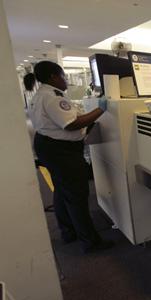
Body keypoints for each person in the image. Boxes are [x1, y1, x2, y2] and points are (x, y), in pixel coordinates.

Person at [28, 61, 113, 253]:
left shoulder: (41, 94)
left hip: (47, 146)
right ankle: (91, 242)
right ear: (53, 77)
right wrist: (100, 110)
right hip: (61, 151)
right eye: (63, 76)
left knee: (62, 190)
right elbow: (71, 124)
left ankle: (68, 231)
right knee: (77, 195)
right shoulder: (53, 97)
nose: (65, 80)